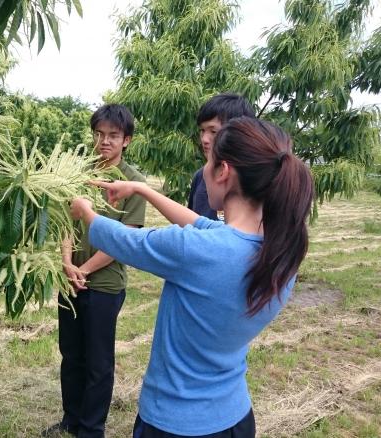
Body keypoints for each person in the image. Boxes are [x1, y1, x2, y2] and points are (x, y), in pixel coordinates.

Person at [70, 117, 314, 437]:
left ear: (223, 172)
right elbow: (200, 224)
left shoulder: (196, 252)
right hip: (234, 417)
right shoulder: (281, 251)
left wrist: (86, 212)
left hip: (175, 422)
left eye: (208, 161)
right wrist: (142, 190)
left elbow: (126, 241)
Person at [45, 104, 147, 438]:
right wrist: (66, 264)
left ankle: (91, 429)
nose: (104, 141)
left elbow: (125, 239)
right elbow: (65, 223)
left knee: (98, 362)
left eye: (113, 136)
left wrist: (84, 270)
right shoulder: (78, 173)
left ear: (126, 140)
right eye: (99, 134)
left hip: (104, 284)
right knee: (71, 354)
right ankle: (71, 420)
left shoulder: (133, 183)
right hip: (70, 279)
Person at [187, 93, 255, 219]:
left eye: (213, 131)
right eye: (202, 130)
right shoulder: (201, 176)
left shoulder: (256, 180)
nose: (204, 139)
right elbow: (193, 224)